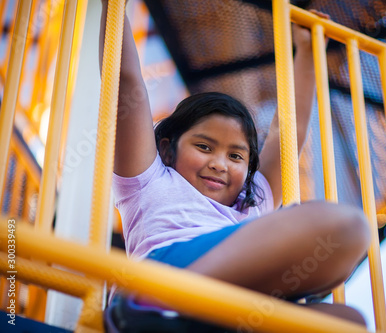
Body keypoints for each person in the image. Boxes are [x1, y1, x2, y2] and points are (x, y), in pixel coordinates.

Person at [100, 1, 370, 332]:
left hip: (231, 311)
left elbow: (290, 133)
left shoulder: (254, 199)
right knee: (342, 224)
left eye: (236, 156)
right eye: (203, 147)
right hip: (163, 276)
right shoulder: (151, 180)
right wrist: (112, 6)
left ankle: (181, 314)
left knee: (349, 322)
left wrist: (308, 52)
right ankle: (148, 303)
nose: (219, 164)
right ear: (168, 151)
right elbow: (127, 83)